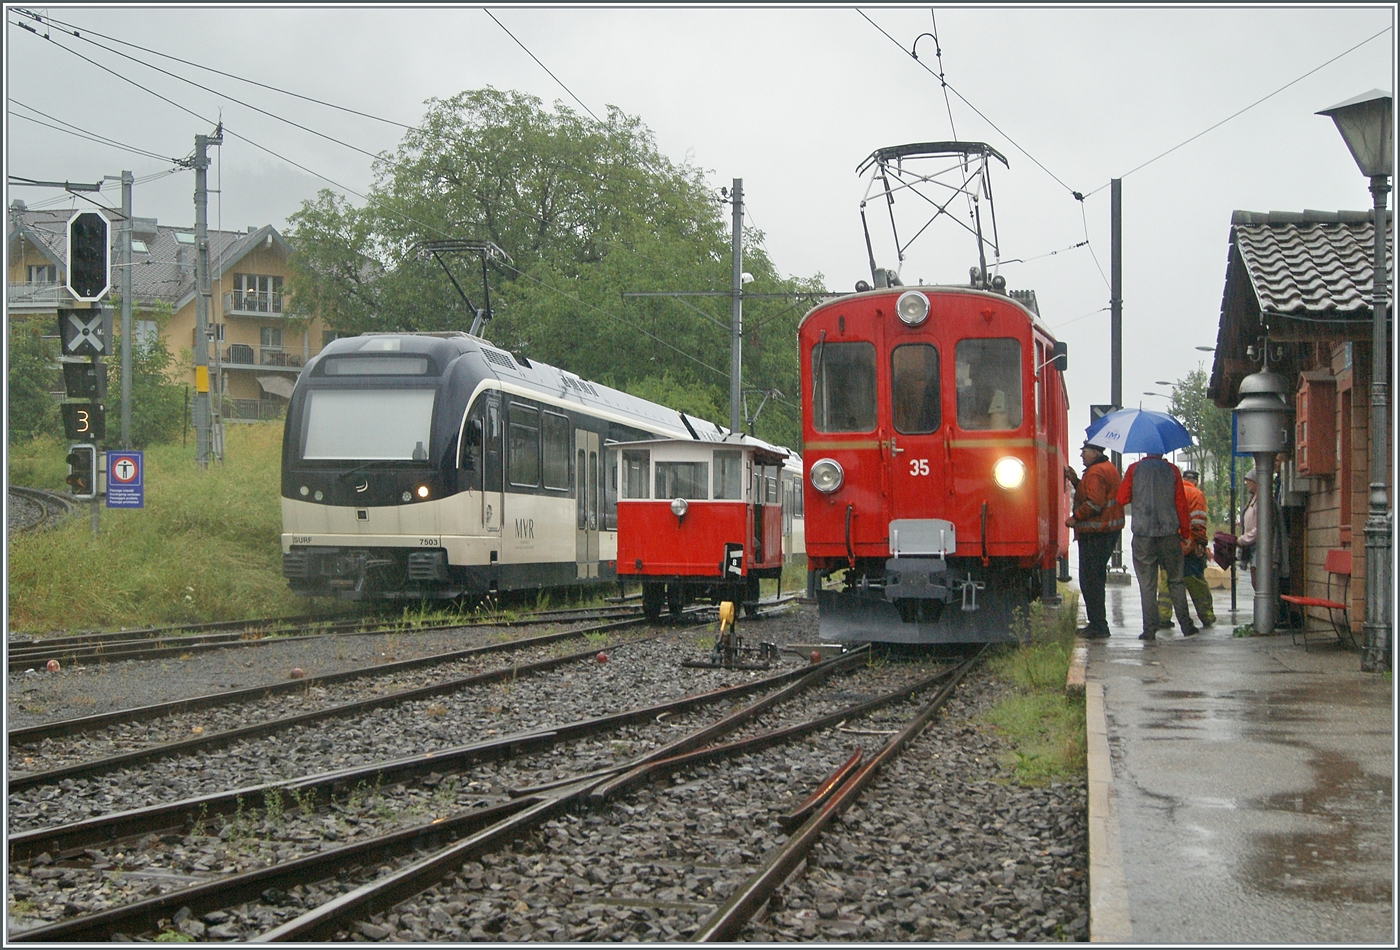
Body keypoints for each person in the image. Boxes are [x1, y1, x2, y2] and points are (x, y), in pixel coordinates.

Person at [1115, 452, 1195, 640]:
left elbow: (1121, 499)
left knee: (1147, 583)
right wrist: (1185, 533)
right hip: (1169, 534)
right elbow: (1181, 504)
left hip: (1143, 535)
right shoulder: (1172, 470)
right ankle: (1186, 625)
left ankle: (1149, 629)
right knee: (1175, 580)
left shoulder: (1134, 469)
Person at [1064, 441, 1124, 638]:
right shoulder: (1106, 469)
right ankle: (1097, 623)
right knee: (1095, 579)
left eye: (1084, 452)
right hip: (1105, 531)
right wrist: (1075, 481)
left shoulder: (1096, 472)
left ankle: (1098, 625)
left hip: (1096, 533)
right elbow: (1091, 493)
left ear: (1094, 453)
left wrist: (1075, 518)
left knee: (1091, 581)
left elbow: (1094, 503)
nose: (1081, 455)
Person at [1157, 469, 1215, 628]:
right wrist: (1201, 543)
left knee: (1167, 581)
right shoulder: (1196, 494)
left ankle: (1162, 616)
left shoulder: (1169, 491)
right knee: (1195, 581)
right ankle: (1206, 616)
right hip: (1188, 544)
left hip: (1168, 543)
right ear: (1196, 481)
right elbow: (1198, 522)